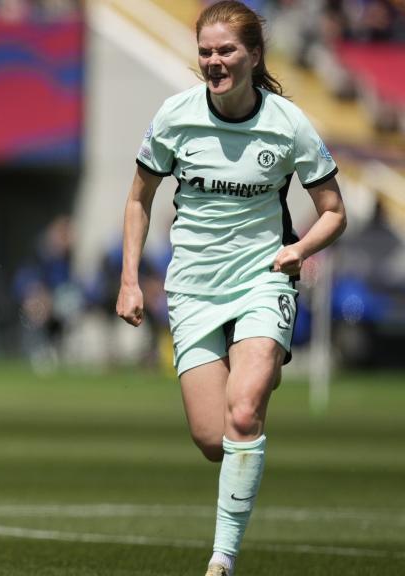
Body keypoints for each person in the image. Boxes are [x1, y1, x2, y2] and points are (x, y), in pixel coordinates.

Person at [115, 3, 347, 575]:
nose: (214, 62)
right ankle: (248, 445)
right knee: (216, 439)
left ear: (253, 55)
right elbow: (138, 199)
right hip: (192, 288)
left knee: (244, 415)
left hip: (263, 282)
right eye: (206, 51)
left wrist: (297, 251)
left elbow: (333, 211)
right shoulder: (175, 116)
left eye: (226, 50)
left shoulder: (287, 122)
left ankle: (221, 561)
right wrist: (129, 281)